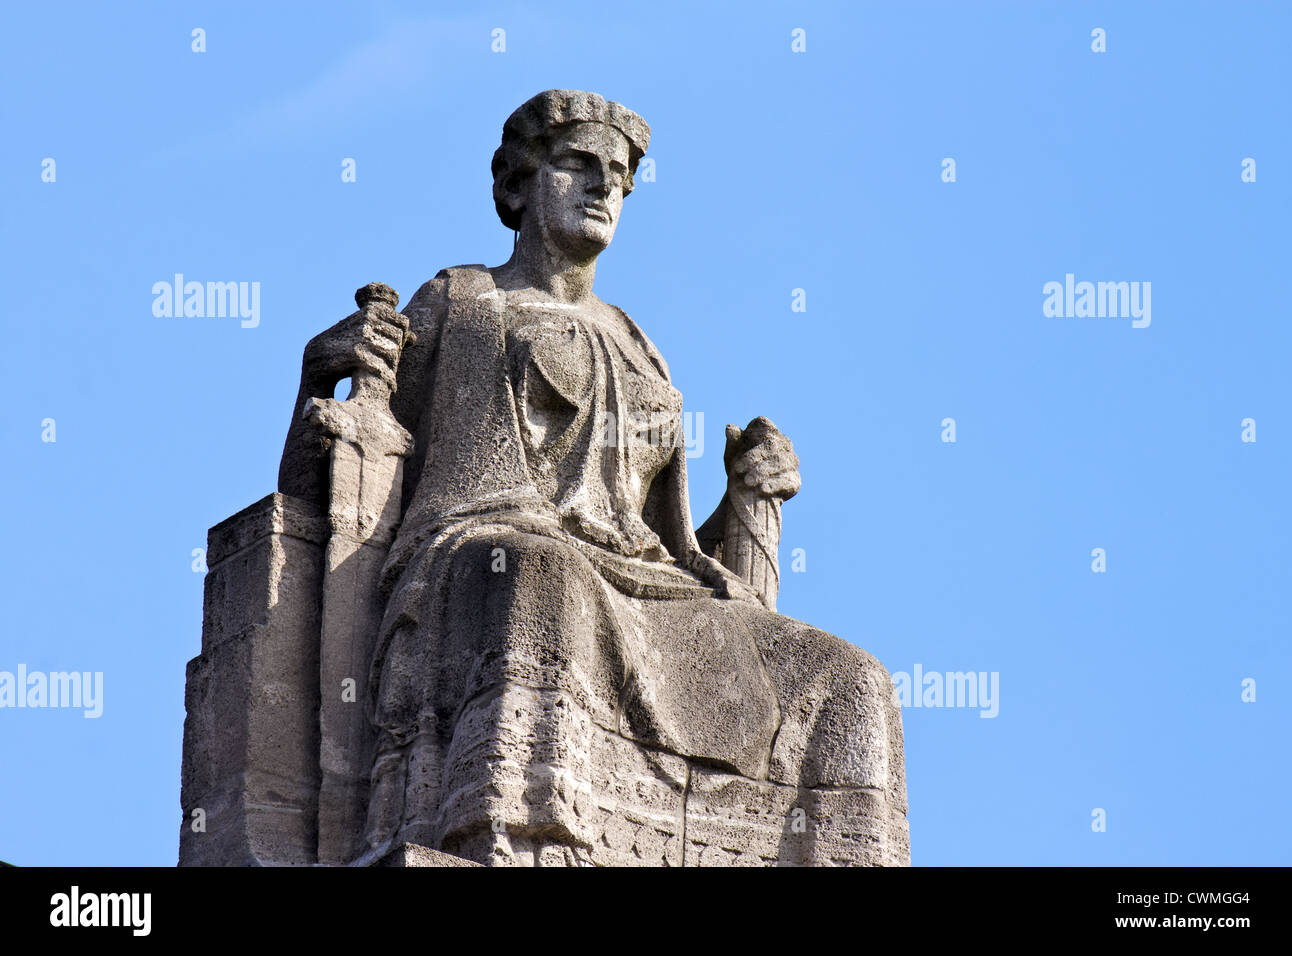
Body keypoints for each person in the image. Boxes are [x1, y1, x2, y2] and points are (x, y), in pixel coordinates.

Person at [278, 90, 908, 866]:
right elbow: (340, 486)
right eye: (579, 164)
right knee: (547, 575)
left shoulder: (640, 343)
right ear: (516, 187)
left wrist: (746, 500)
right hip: (488, 556)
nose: (604, 186)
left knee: (852, 679)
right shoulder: (462, 301)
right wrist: (320, 380)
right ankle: (525, 839)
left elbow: (673, 547)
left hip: (641, 585)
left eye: (618, 175)